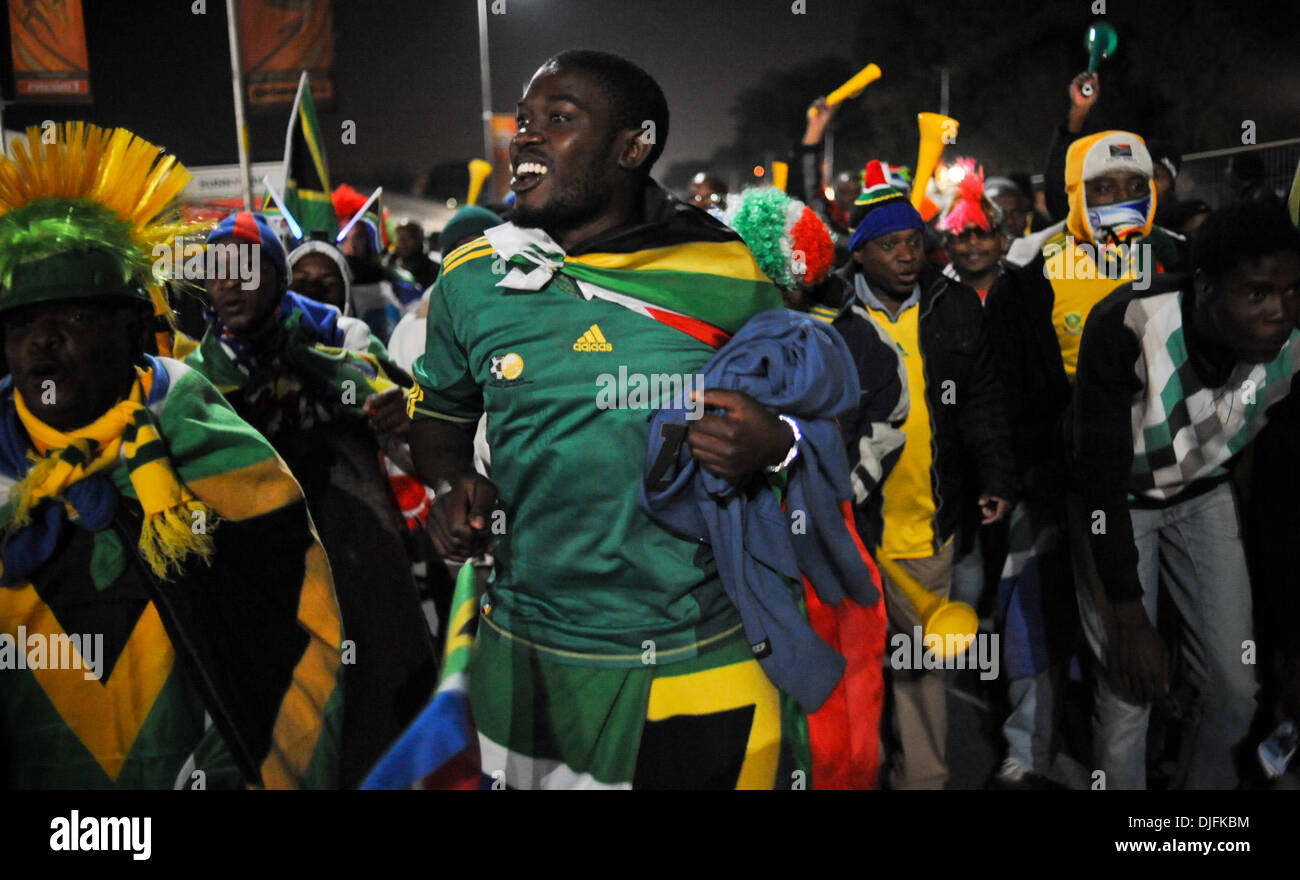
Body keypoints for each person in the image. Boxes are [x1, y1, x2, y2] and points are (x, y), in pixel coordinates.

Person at [406, 49, 836, 790]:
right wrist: (450, 484)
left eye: (560, 120)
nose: (527, 137)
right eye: (526, 121)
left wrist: (775, 442)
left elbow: (822, 427)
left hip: (700, 655)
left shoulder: (730, 273)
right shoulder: (472, 274)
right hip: (528, 658)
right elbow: (440, 420)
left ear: (633, 147)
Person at [0, 123, 344, 789]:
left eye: (72, 319)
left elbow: (301, 633)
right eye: (21, 324)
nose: (43, 343)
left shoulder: (208, 441)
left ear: (132, 329)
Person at [186, 211, 436, 789]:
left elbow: (413, 443)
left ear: (277, 276)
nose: (227, 284)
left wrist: (404, 417)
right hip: (266, 588)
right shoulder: (194, 378)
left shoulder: (339, 340)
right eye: (214, 272)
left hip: (363, 572)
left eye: (244, 269)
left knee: (383, 719)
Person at [1065, 199, 1300, 789]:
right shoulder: (1128, 322)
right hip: (1115, 502)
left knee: (1233, 688)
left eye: (1293, 291)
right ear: (1205, 287)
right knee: (1128, 692)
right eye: (1257, 294)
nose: (1280, 313)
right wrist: (1127, 615)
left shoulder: (1294, 341)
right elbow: (1097, 480)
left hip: (1204, 495)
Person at [987, 131, 1184, 788]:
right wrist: (1016, 469)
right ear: (1073, 195)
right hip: (1064, 483)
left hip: (1162, 483)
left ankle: (1153, 755)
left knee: (1151, 641)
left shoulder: (1175, 259)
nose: (1122, 202)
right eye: (1103, 189)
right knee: (1040, 618)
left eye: (1135, 188)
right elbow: (1007, 379)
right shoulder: (1034, 266)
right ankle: (1030, 746)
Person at [843, 160, 1014, 789]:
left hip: (928, 533)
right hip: (850, 530)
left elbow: (984, 400)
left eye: (915, 241)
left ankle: (923, 780)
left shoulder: (954, 307)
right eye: (891, 245)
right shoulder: (831, 319)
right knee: (855, 668)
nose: (908, 256)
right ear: (860, 255)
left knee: (918, 670)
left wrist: (995, 474)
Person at [384, 219, 440, 292]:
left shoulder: (434, 271)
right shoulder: (388, 265)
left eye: (408, 238)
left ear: (420, 239)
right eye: (398, 238)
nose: (402, 243)